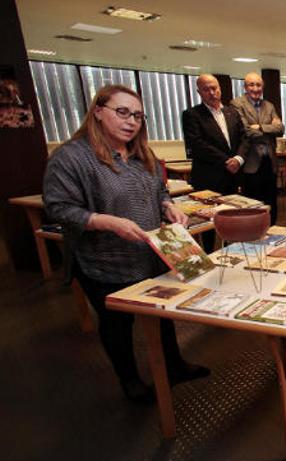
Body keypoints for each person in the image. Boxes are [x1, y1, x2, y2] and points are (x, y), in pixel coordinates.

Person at [43, 85, 210, 404]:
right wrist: (108, 222)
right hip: (104, 261)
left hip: (149, 253)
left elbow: (158, 191)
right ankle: (130, 380)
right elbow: (58, 207)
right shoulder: (72, 156)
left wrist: (168, 207)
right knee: (117, 324)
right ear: (98, 112)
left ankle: (173, 366)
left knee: (161, 313)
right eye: (122, 112)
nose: (131, 121)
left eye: (137, 115)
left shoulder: (140, 153)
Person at [182, 74, 247, 250]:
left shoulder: (232, 112)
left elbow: (244, 138)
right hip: (209, 178)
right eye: (206, 89)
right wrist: (227, 161)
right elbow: (197, 145)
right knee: (208, 223)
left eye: (215, 88)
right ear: (199, 92)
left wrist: (239, 159)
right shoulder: (192, 115)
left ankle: (233, 252)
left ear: (220, 88)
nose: (212, 92)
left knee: (232, 218)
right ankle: (210, 254)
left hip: (233, 176)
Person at [230, 72, 284, 224]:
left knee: (271, 205)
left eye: (258, 85)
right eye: (251, 85)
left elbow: (280, 129)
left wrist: (259, 127)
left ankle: (272, 235)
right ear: (245, 87)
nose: (255, 88)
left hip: (269, 162)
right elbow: (246, 130)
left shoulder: (269, 105)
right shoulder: (237, 104)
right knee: (253, 206)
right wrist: (269, 127)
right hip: (250, 164)